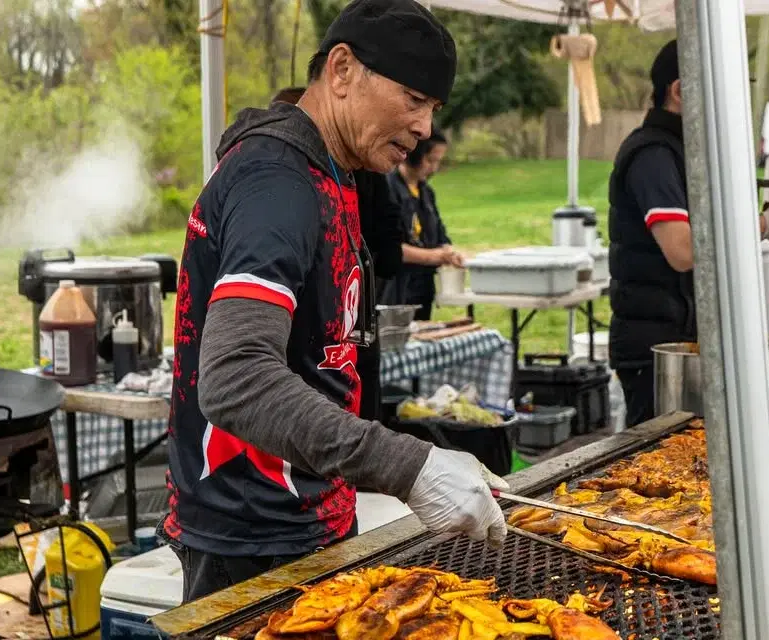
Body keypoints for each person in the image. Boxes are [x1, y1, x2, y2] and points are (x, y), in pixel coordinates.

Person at [160, 0, 508, 603]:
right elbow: (235, 375)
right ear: (342, 70)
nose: (425, 127)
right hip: (252, 536)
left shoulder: (333, 170)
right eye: (414, 98)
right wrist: (408, 465)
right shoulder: (276, 182)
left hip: (304, 514)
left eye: (433, 108)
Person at [608, 39, 769, 428]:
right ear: (679, 91)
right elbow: (682, 249)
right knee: (658, 464)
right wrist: (764, 224)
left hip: (686, 333)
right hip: (657, 347)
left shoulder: (683, 151)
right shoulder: (653, 154)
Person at [271, 86, 403, 422]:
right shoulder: (277, 182)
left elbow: (389, 254)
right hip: (320, 353)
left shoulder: (352, 171)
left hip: (340, 345)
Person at [381, 130, 463, 321]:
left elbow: (440, 234)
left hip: (423, 288)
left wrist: (448, 251)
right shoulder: (387, 189)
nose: (434, 168)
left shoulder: (426, 193)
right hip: (396, 291)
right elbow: (389, 248)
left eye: (438, 162)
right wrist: (434, 256)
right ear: (413, 153)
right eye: (430, 160)